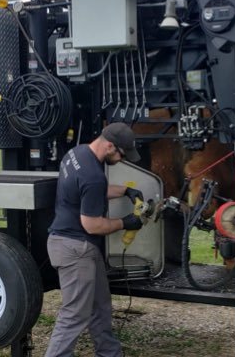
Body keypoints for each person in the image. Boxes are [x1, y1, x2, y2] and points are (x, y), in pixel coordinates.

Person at [45, 122, 144, 357]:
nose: (121, 159)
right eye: (121, 154)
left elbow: (89, 190)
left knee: (100, 307)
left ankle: (110, 353)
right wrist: (125, 223)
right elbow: (92, 224)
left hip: (81, 248)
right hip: (75, 249)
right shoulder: (93, 175)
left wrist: (125, 191)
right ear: (110, 146)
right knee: (74, 315)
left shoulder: (77, 154)